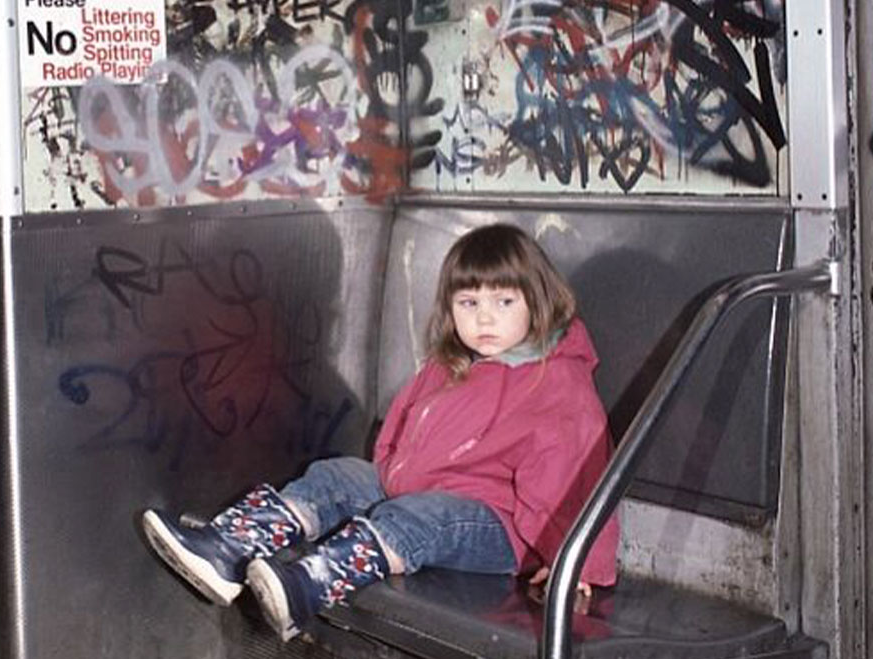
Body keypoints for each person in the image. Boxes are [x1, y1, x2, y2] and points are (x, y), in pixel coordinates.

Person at [140, 223, 620, 641]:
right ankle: (228, 549)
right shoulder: (451, 364)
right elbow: (403, 429)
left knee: (417, 515)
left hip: (499, 527)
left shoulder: (554, 383)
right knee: (337, 474)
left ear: (537, 301)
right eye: (469, 302)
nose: (485, 317)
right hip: (425, 492)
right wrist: (386, 472)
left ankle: (308, 585)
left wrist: (575, 563)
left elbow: (577, 478)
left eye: (504, 301)